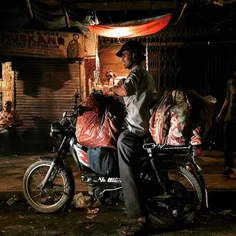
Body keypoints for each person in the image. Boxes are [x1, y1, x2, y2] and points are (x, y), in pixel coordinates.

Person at [110, 41, 154, 235]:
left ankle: (140, 217)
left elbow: (125, 91)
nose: (123, 58)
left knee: (123, 149)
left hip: (135, 129)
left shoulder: (137, 73)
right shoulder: (143, 74)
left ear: (135, 55)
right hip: (140, 124)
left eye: (125, 54)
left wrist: (109, 89)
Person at [216, 68, 236, 179]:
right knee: (227, 143)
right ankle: (228, 166)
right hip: (230, 116)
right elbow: (227, 99)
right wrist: (221, 113)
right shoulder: (230, 83)